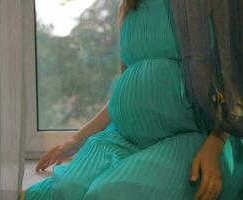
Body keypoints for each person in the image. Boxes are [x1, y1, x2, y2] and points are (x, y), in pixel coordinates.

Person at [24, 0, 243, 199]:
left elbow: (234, 77)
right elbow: (127, 88)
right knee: (65, 191)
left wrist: (215, 144)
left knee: (107, 195)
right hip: (123, 137)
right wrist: (74, 141)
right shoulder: (128, 7)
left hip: (187, 136)